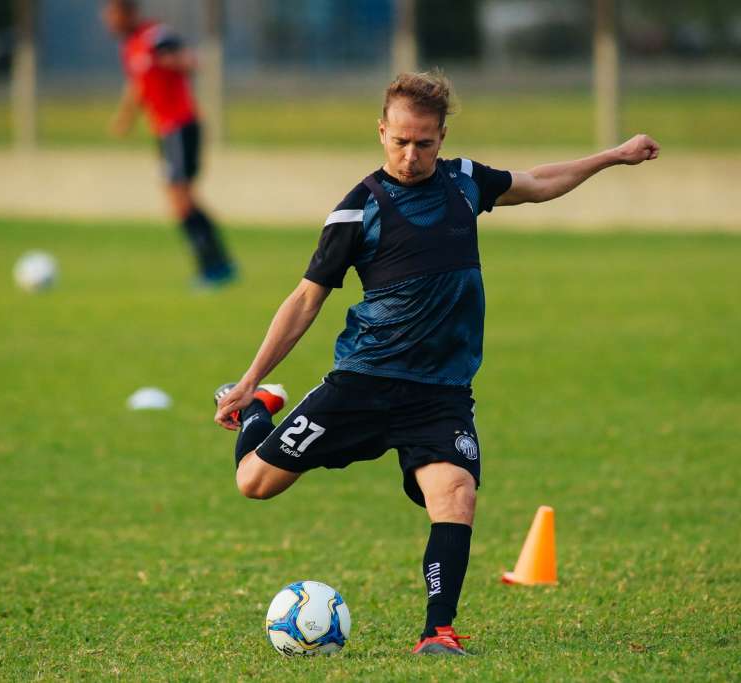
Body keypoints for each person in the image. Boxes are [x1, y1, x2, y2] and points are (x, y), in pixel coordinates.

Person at [214, 70, 660, 655]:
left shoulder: (465, 183)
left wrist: (614, 156)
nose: (411, 154)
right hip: (364, 382)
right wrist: (248, 383)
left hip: (440, 393)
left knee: (455, 495)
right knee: (254, 483)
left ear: (442, 135)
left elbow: (539, 182)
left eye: (424, 142)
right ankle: (262, 409)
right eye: (400, 141)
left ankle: (437, 632)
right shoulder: (357, 210)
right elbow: (305, 299)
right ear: (381, 132)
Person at [101, 0, 234, 288]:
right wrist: (126, 117)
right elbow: (138, 85)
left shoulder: (154, 36)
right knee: (180, 200)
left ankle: (214, 267)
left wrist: (174, 61)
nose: (108, 22)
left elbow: (189, 59)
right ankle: (218, 263)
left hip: (181, 126)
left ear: (129, 13)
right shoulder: (131, 46)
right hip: (165, 130)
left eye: (113, 15)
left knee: (180, 199)